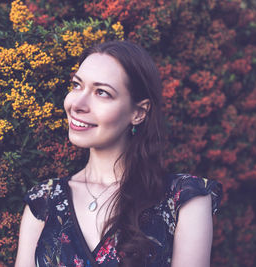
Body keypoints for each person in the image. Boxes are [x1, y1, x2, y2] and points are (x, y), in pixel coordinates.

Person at [14, 40, 222, 267]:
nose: (77, 104)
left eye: (101, 92)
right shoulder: (44, 200)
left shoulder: (184, 199)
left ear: (138, 113)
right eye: (76, 85)